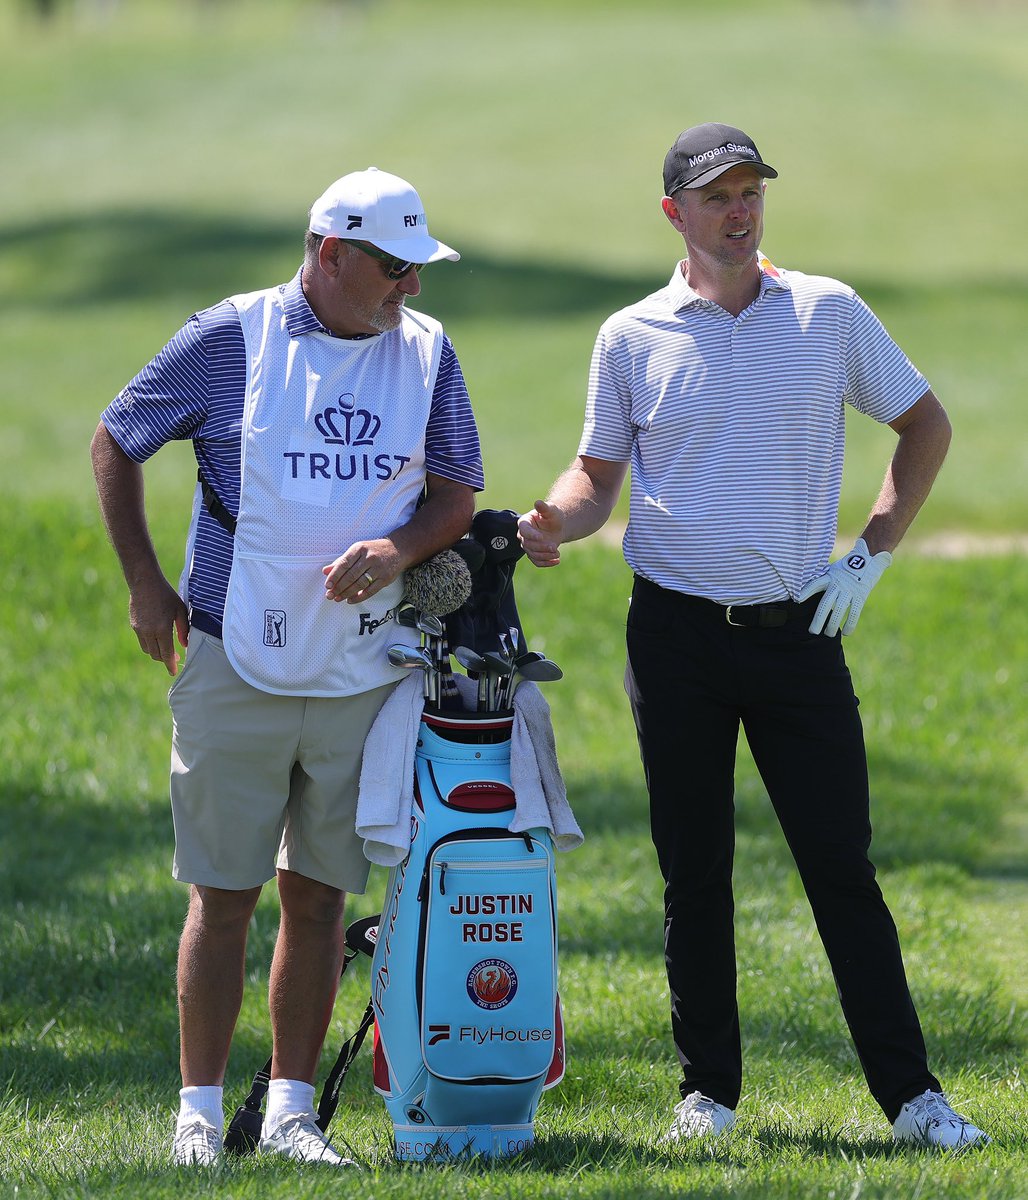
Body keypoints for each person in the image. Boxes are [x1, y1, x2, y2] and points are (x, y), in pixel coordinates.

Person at [518, 123, 988, 1150]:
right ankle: (708, 1094)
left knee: (838, 866)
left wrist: (866, 555)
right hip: (673, 635)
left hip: (795, 638)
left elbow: (924, 425)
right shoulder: (630, 333)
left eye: (749, 192)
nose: (738, 209)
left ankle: (912, 1098)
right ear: (673, 214)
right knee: (693, 870)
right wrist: (553, 519)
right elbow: (596, 473)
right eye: (717, 195)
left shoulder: (826, 312)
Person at [91, 167, 484, 1167]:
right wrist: (145, 586)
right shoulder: (230, 337)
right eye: (394, 269)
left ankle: (290, 1114)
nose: (410, 291)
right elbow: (117, 439)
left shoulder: (428, 355)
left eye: (418, 270)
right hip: (233, 655)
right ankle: (194, 1115)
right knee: (222, 896)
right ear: (329, 254)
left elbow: (456, 495)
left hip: (362, 670)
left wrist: (396, 554)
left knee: (318, 896)